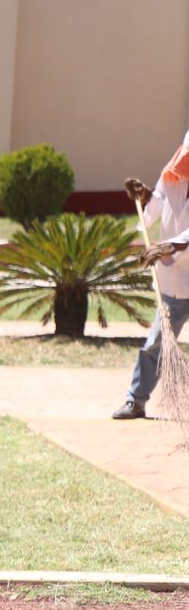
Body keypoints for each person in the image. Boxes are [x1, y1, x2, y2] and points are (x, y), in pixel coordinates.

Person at [115, 131, 189, 420]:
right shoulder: (173, 174)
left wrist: (171, 245)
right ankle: (136, 400)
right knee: (157, 342)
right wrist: (143, 194)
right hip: (174, 278)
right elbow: (156, 204)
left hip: (174, 260)